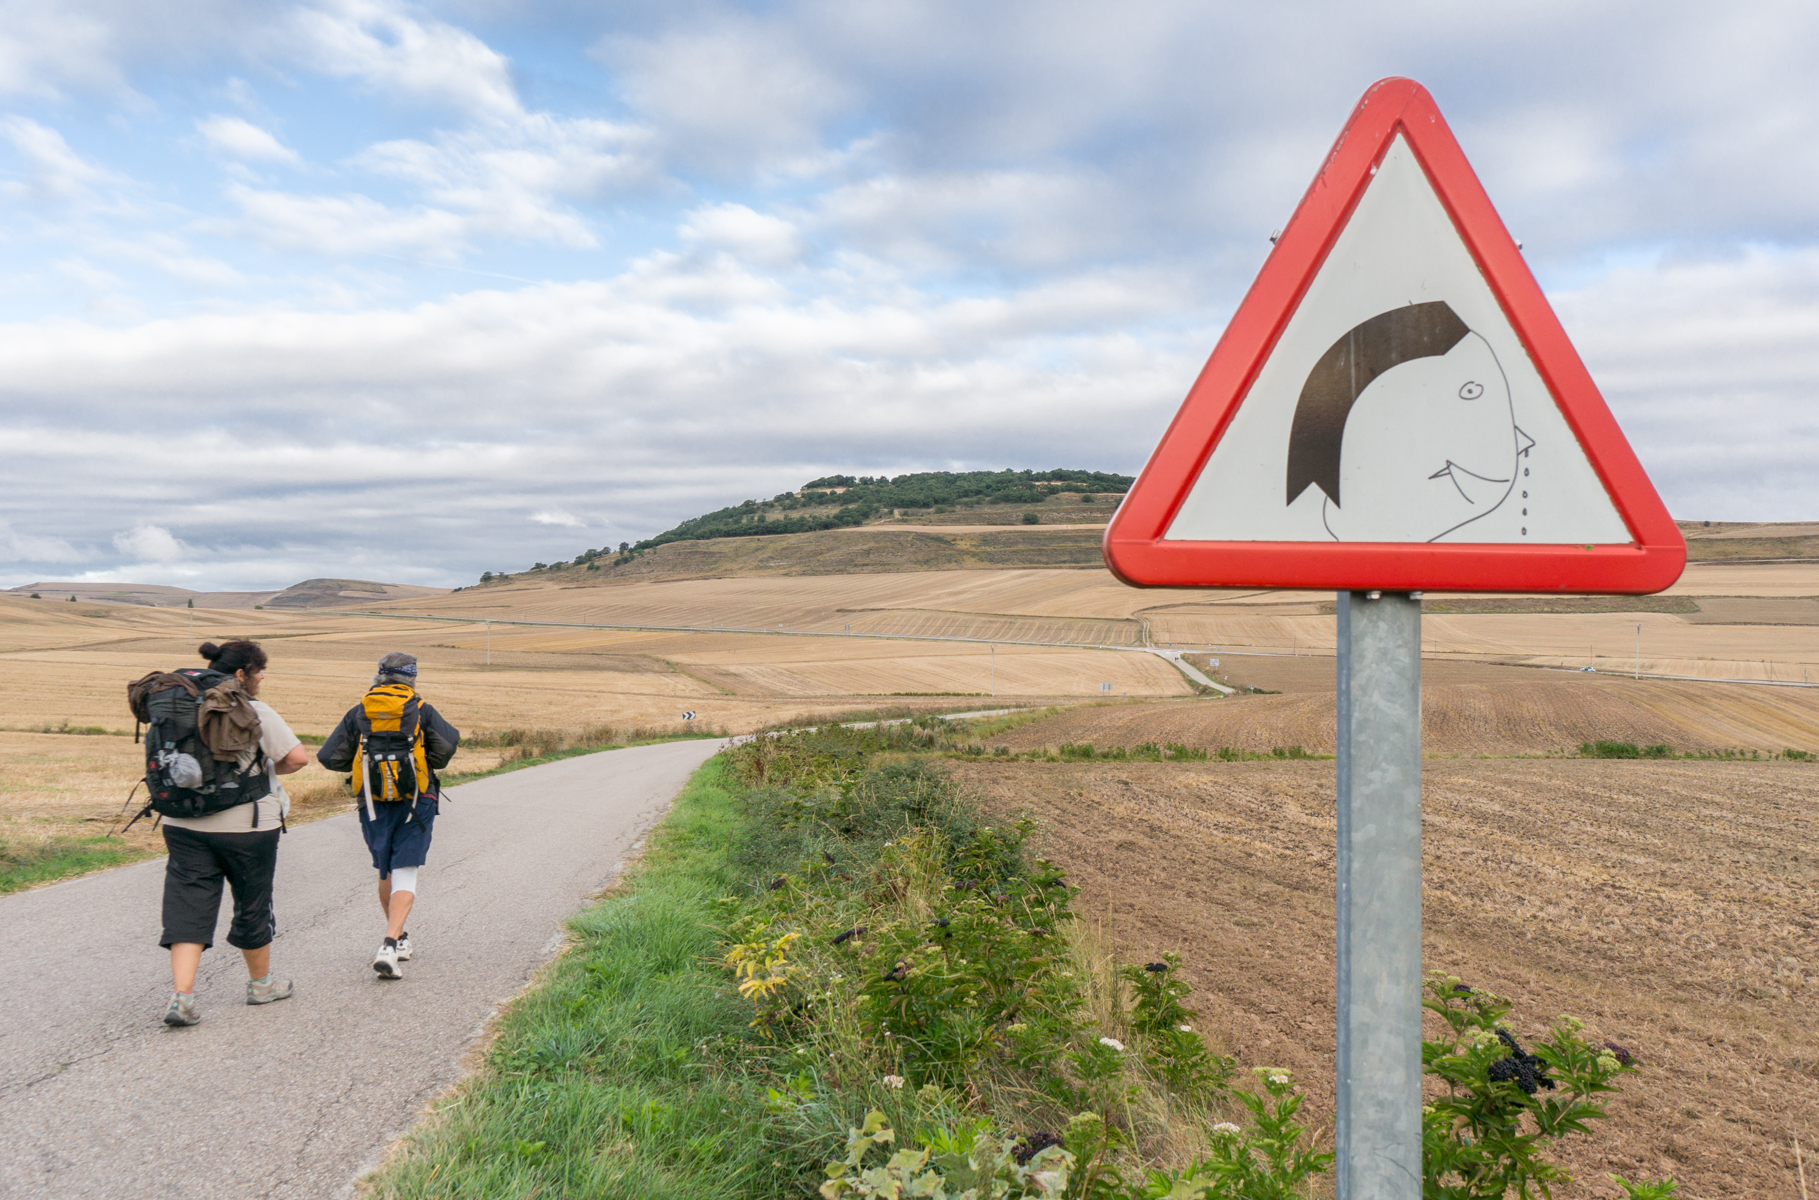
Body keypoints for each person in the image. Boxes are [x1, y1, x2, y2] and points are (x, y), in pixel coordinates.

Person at [159, 640, 310, 1026]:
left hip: (182, 823)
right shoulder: (252, 709)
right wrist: (265, 775)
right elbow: (296, 758)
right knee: (252, 901)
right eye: (258, 671)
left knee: (188, 905)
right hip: (247, 825)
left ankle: (182, 997)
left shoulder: (177, 704)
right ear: (241, 674)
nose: (261, 678)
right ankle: (261, 984)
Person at [316, 652, 459, 979]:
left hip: (372, 800)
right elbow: (448, 745)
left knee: (385, 869)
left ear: (379, 676)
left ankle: (400, 938)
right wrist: (423, 765)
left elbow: (328, 755)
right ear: (412, 677)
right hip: (415, 801)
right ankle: (390, 943)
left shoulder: (360, 711)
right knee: (405, 869)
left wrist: (362, 768)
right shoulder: (420, 709)